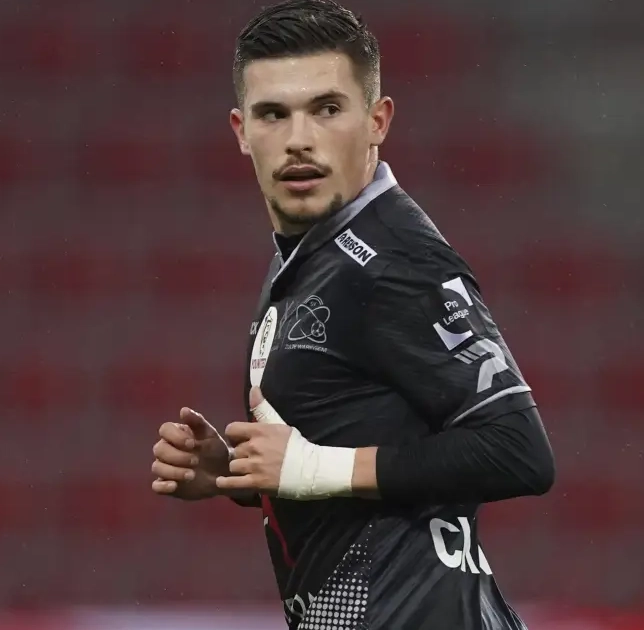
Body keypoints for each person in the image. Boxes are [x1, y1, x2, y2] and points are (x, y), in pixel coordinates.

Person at [149, 1, 556, 627]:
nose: (299, 139)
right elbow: (358, 447)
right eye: (273, 114)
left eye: (327, 108)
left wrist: (314, 466)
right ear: (240, 130)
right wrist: (242, 475)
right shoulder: (312, 254)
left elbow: (517, 451)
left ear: (377, 121)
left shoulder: (395, 259)